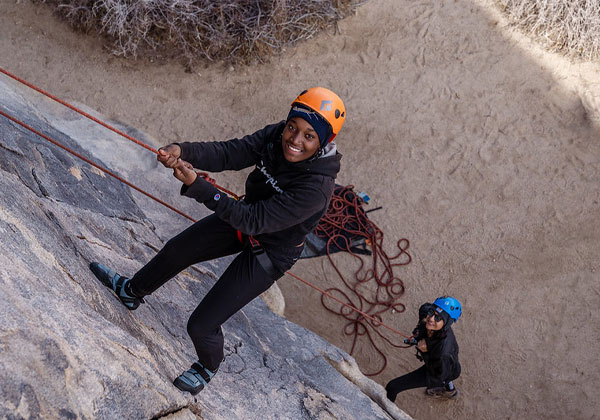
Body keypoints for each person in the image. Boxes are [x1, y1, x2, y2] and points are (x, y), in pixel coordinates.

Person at [89, 87, 345, 395]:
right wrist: (184, 151)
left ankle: (207, 366)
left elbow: (255, 222)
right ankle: (131, 291)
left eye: (308, 136)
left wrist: (199, 187)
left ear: (323, 142)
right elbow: (231, 152)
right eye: (293, 126)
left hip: (270, 253)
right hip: (244, 217)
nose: (294, 139)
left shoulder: (315, 188)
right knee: (177, 250)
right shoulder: (277, 136)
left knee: (201, 325)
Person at [385, 296, 462, 401]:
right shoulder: (426, 314)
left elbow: (438, 375)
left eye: (438, 318)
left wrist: (425, 352)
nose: (431, 319)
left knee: (392, 387)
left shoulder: (444, 351)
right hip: (447, 366)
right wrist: (418, 333)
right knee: (445, 371)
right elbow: (424, 310)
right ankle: (450, 390)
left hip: (441, 372)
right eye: (431, 312)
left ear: (446, 323)